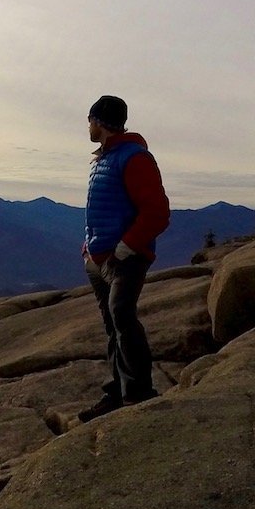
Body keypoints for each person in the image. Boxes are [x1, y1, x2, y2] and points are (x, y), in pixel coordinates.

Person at [79, 94, 171, 421]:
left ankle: (140, 392)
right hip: (99, 257)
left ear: (99, 121)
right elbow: (102, 209)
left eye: (89, 120)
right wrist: (89, 246)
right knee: (113, 325)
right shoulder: (104, 158)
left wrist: (123, 248)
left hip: (124, 258)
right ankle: (117, 391)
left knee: (123, 319)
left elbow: (157, 213)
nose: (87, 126)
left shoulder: (134, 158)